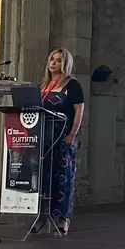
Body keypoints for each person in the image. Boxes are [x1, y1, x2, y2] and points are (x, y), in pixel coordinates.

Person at [39, 48, 85, 233]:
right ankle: (42, 216)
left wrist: (72, 135)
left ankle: (62, 218)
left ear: (65, 64)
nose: (53, 63)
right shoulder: (43, 85)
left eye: (58, 60)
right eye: (51, 59)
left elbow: (79, 111)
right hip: (42, 139)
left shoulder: (72, 85)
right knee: (42, 179)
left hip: (62, 137)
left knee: (62, 178)